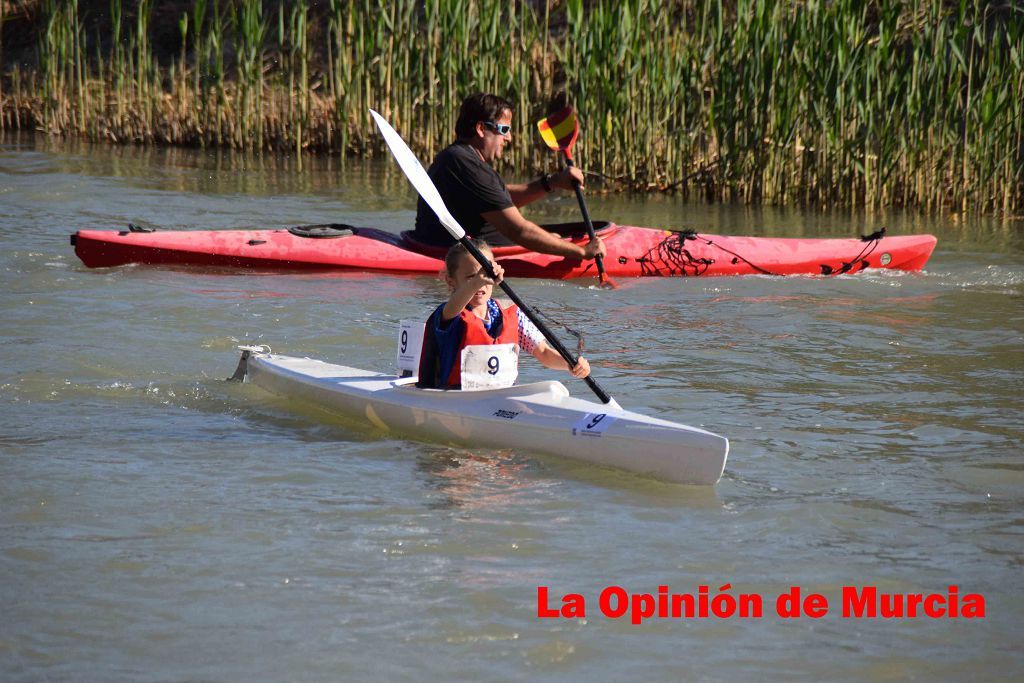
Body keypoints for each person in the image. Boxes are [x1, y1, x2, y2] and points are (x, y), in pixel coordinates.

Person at [412, 92, 606, 262]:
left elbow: (498, 199)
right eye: (504, 130)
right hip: (446, 256)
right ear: (481, 129)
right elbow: (520, 232)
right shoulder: (466, 164)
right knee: (552, 236)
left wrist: (552, 182)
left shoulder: (457, 157)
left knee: (553, 235)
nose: (509, 138)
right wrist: (581, 251)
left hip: (436, 246)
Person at [417, 239, 591, 389]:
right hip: (454, 398)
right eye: (471, 277)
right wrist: (478, 280)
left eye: (485, 275)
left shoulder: (510, 313)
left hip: (500, 399)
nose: (481, 284)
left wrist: (571, 364)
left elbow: (544, 353)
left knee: (554, 388)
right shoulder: (449, 313)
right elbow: (452, 309)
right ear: (450, 280)